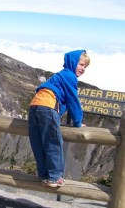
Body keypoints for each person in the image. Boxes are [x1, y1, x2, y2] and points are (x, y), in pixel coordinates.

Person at [28, 50, 90, 188]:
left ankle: (44, 175)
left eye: (85, 66)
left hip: (34, 106)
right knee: (53, 143)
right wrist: (78, 122)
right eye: (81, 64)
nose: (83, 69)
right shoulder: (69, 76)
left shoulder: (59, 75)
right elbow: (73, 100)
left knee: (38, 143)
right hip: (47, 107)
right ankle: (55, 177)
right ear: (72, 62)